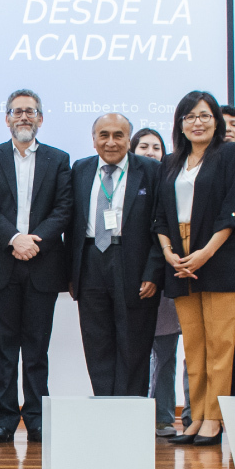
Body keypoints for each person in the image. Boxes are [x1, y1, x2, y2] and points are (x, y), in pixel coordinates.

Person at [0, 89, 73, 445]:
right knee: (3, 348)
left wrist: (33, 241)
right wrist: (15, 239)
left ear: (41, 119)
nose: (24, 117)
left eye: (31, 111)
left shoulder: (60, 159)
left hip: (42, 264)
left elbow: (63, 209)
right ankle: (3, 419)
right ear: (7, 118)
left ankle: (36, 418)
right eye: (17, 111)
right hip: (2, 263)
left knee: (36, 348)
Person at [153, 90, 235, 447]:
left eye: (205, 115)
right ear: (180, 123)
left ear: (217, 121)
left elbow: (233, 208)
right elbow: (159, 217)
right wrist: (169, 253)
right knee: (194, 345)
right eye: (190, 116)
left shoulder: (231, 154)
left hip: (217, 252)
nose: (198, 122)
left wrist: (205, 252)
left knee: (220, 344)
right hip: (179, 259)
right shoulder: (172, 162)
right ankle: (194, 419)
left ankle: (213, 419)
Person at [69, 112, 162, 402]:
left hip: (133, 262)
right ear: (94, 140)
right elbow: (71, 221)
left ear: (129, 140)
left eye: (118, 135)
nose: (111, 142)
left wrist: (153, 272)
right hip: (90, 260)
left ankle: (130, 411)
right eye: (104, 135)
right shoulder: (80, 169)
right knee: (97, 342)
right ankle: (104, 409)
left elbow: (162, 223)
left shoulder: (150, 170)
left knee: (133, 343)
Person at [132, 127, 182, 434]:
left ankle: (163, 416)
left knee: (165, 352)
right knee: (133, 353)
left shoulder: (172, 185)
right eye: (144, 147)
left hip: (165, 279)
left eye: (156, 147)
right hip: (129, 280)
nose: (151, 152)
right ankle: (134, 415)